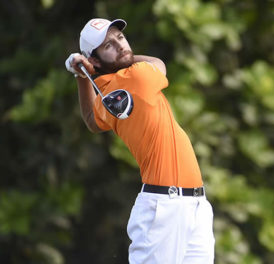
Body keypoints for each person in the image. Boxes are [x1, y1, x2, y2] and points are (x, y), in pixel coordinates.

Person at [65, 18, 215, 264]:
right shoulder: (139, 77)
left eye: (120, 38)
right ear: (95, 60)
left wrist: (82, 76)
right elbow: (158, 63)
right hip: (164, 207)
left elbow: (92, 120)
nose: (121, 46)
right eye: (108, 46)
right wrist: (87, 71)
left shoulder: (105, 92)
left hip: (194, 205)